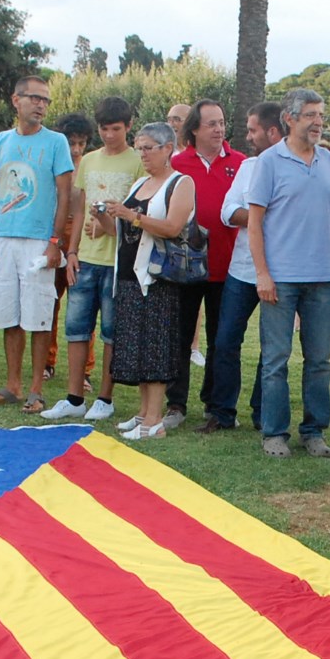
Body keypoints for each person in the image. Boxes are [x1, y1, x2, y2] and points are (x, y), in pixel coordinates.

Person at [248, 89, 330, 458]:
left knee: (319, 360)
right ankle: (274, 433)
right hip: (280, 279)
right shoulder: (269, 162)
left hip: (321, 278)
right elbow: (254, 223)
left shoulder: (328, 161)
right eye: (309, 115)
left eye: (320, 114)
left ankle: (314, 430)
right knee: (276, 359)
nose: (318, 121)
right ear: (289, 119)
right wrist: (262, 274)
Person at [0, 76, 74, 412]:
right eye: (34, 98)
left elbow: (64, 194)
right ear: (15, 100)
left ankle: (35, 388)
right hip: (2, 239)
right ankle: (13, 385)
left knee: (39, 315)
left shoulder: (57, 142)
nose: (41, 105)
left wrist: (55, 242)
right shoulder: (0, 141)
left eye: (46, 100)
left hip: (38, 242)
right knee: (8, 314)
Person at [96, 123, 196, 440]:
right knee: (138, 347)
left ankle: (154, 421)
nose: (143, 154)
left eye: (149, 147)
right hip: (129, 276)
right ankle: (142, 413)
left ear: (168, 148)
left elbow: (173, 227)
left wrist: (131, 215)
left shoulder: (181, 183)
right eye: (140, 148)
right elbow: (124, 233)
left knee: (155, 348)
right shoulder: (141, 183)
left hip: (158, 278)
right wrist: (103, 217)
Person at [44, 98, 139, 421]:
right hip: (84, 258)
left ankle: (105, 398)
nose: (109, 135)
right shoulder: (87, 161)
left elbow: (138, 214)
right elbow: (79, 209)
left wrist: (109, 225)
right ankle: (73, 398)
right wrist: (71, 252)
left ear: (128, 126)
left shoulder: (137, 162)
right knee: (76, 328)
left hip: (117, 260)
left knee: (110, 330)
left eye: (116, 128)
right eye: (104, 129)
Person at [204, 101, 284, 433]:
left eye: (252, 130)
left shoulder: (295, 167)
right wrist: (262, 217)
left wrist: (255, 218)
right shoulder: (248, 167)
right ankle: (222, 412)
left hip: (281, 272)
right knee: (225, 341)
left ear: (273, 131)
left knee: (273, 347)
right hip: (241, 270)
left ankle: (262, 413)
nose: (247, 136)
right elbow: (227, 211)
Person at [169, 99, 247, 429]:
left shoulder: (242, 163)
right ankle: (175, 404)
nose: (219, 129)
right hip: (185, 268)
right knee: (180, 336)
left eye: (222, 123)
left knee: (222, 339)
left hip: (227, 268)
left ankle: (215, 406)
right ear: (195, 129)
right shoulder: (177, 163)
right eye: (212, 124)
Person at [45, 112, 94, 384]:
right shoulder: (52, 165)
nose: (76, 149)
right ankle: (46, 362)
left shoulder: (90, 165)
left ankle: (85, 371)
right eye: (72, 143)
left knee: (83, 304)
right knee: (50, 301)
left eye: (81, 142)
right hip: (55, 234)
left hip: (84, 236)